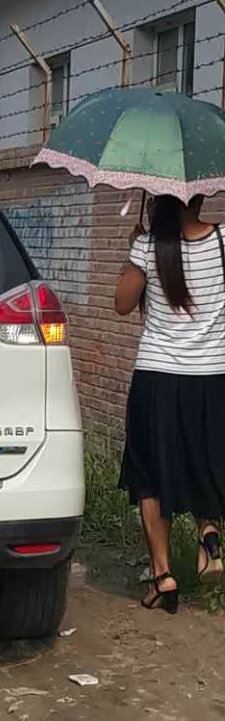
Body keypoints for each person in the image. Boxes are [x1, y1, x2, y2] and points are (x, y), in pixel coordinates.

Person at [115, 193, 225, 613]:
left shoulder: (148, 246)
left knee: (150, 475)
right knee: (204, 459)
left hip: (157, 378)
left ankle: (164, 577)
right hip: (212, 377)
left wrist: (135, 251)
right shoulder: (223, 241)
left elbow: (122, 304)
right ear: (199, 196)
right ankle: (208, 531)